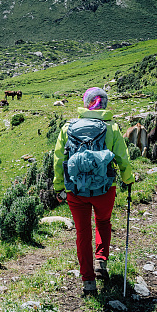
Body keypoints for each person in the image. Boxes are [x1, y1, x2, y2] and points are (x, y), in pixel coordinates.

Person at [52, 87, 134, 297]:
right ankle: (101, 262)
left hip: (75, 190)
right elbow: (122, 158)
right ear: (104, 104)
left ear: (85, 103)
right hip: (104, 189)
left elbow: (59, 159)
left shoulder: (68, 127)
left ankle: (88, 281)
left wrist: (60, 187)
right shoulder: (112, 128)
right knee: (103, 222)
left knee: (82, 232)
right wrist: (128, 179)